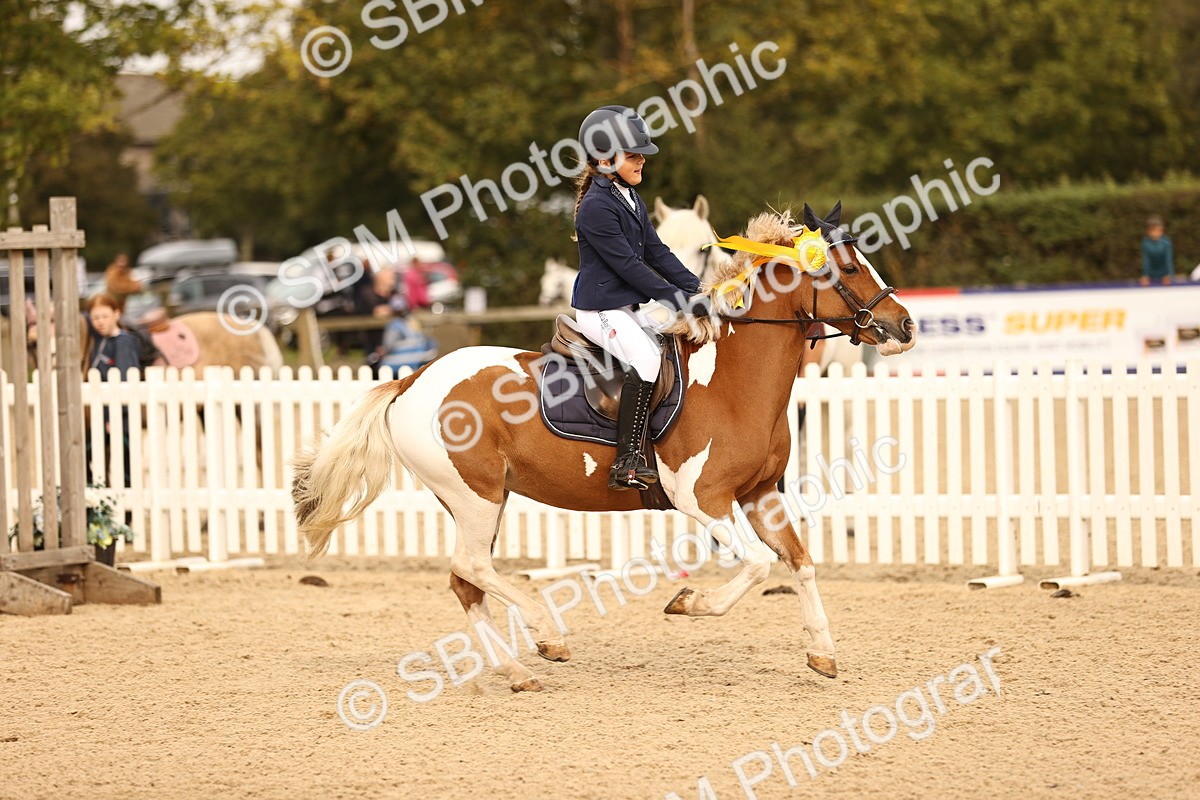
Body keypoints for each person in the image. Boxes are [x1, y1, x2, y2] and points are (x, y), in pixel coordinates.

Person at [571, 105, 704, 490]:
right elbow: (631, 267)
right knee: (645, 358)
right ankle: (626, 461)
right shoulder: (596, 207)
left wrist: (698, 289)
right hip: (600, 312)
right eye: (632, 154)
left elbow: (657, 253)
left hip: (627, 309)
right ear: (603, 157)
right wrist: (678, 298)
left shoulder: (629, 196)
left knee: (673, 340)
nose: (641, 159)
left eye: (640, 152)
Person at [1140, 217, 1174, 286]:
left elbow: (1168, 260)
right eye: (1153, 230)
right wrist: (1145, 275)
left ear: (1162, 231)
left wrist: (1169, 275)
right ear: (1148, 231)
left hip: (1164, 274)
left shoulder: (1166, 242)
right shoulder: (1145, 243)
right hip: (1151, 274)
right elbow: (1146, 260)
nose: (1155, 232)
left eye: (1158, 230)